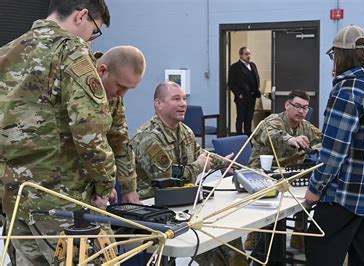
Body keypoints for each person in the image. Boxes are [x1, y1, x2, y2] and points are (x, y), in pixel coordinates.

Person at [0, 0, 113, 265]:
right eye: (94, 31)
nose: (91, 40)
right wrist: (104, 184)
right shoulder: (71, 50)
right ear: (81, 16)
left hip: (14, 200)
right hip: (62, 201)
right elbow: (89, 128)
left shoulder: (6, 52)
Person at [304, 25, 364, 265]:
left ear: (340, 55)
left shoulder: (346, 91)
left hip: (345, 193)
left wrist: (315, 187)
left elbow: (333, 152)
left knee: (318, 250)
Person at [130, 81, 246, 266]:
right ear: (158, 104)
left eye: (184, 98)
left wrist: (223, 163)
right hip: (156, 211)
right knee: (212, 247)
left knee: (228, 236)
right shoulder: (148, 137)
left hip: (185, 204)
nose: (183, 103)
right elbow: (168, 178)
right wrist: (200, 166)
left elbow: (201, 154)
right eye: (176, 98)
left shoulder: (184, 131)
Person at [245, 90, 322, 251]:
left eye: (305, 108)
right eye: (297, 106)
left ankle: (298, 235)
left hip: (290, 175)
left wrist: (314, 148)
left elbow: (324, 141)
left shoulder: (305, 127)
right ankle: (255, 235)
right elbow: (271, 134)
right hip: (262, 174)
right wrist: (291, 139)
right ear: (287, 105)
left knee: (308, 194)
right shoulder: (274, 120)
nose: (301, 111)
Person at [95, 45, 146, 204]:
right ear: (102, 71)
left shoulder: (113, 96)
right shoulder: (76, 84)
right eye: (120, 86)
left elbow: (120, 141)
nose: (122, 94)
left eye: (129, 89)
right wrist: (103, 184)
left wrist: (129, 189)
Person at [228, 46, 261, 136]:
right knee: (241, 118)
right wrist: (238, 94)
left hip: (252, 96)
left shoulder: (252, 65)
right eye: (246, 54)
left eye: (249, 54)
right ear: (241, 55)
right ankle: (239, 136)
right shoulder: (235, 67)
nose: (248, 56)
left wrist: (257, 89)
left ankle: (248, 136)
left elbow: (256, 78)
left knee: (249, 118)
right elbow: (231, 83)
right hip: (242, 97)